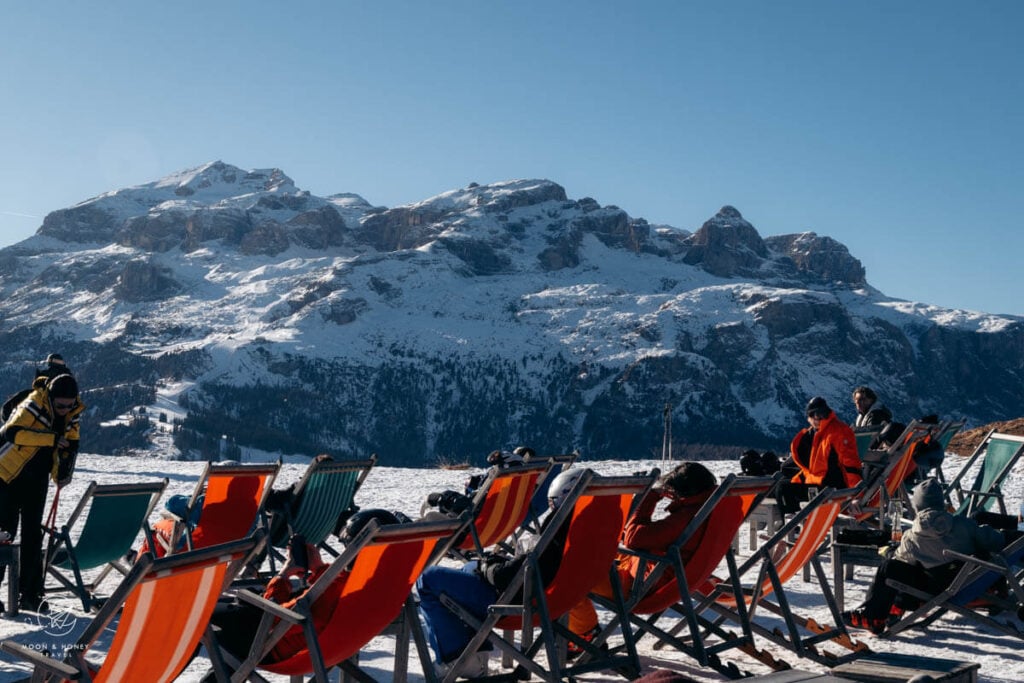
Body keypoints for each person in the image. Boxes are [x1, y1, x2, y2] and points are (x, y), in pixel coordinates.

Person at [415, 467, 585, 679]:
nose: (551, 507)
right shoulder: (587, 525)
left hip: (520, 598)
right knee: (468, 569)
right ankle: (473, 653)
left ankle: (456, 658)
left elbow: (510, 575)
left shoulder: (561, 527)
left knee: (428, 580)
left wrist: (490, 567)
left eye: (552, 502)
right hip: (557, 596)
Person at [201, 508, 405, 681]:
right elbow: (331, 599)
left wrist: (282, 577)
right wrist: (319, 570)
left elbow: (276, 618)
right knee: (228, 635)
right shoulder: (384, 581)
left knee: (199, 618)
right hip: (336, 648)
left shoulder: (342, 586)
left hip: (284, 648)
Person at [565, 462, 718, 654]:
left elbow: (633, 539)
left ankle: (585, 636)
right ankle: (585, 632)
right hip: (662, 575)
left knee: (568, 574)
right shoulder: (708, 509)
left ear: (683, 491)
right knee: (595, 549)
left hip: (639, 586)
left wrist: (650, 497)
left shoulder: (686, 517)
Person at [841, 477, 1005, 635]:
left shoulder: (913, 536)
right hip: (971, 582)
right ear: (941, 502)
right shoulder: (964, 524)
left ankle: (874, 617)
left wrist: (889, 551)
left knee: (891, 566)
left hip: (937, 589)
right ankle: (892, 609)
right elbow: (996, 542)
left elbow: (900, 561)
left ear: (917, 506)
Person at [0, 373, 82, 612]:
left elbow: (70, 443)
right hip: (7, 475)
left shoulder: (72, 413)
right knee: (4, 534)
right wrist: (53, 439)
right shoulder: (34, 403)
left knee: (33, 536)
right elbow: (11, 433)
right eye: (60, 405)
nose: (65, 410)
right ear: (51, 397)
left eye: (69, 405)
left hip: (37, 477)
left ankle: (30, 594)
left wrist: (64, 469)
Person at [778, 396, 862, 513]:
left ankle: (793, 524)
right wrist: (796, 480)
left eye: (822, 413)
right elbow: (810, 469)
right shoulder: (812, 435)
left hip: (833, 489)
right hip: (817, 486)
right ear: (809, 417)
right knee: (782, 485)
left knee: (785, 489)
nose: (818, 417)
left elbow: (850, 465)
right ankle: (792, 522)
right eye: (814, 414)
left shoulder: (838, 431)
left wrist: (854, 495)